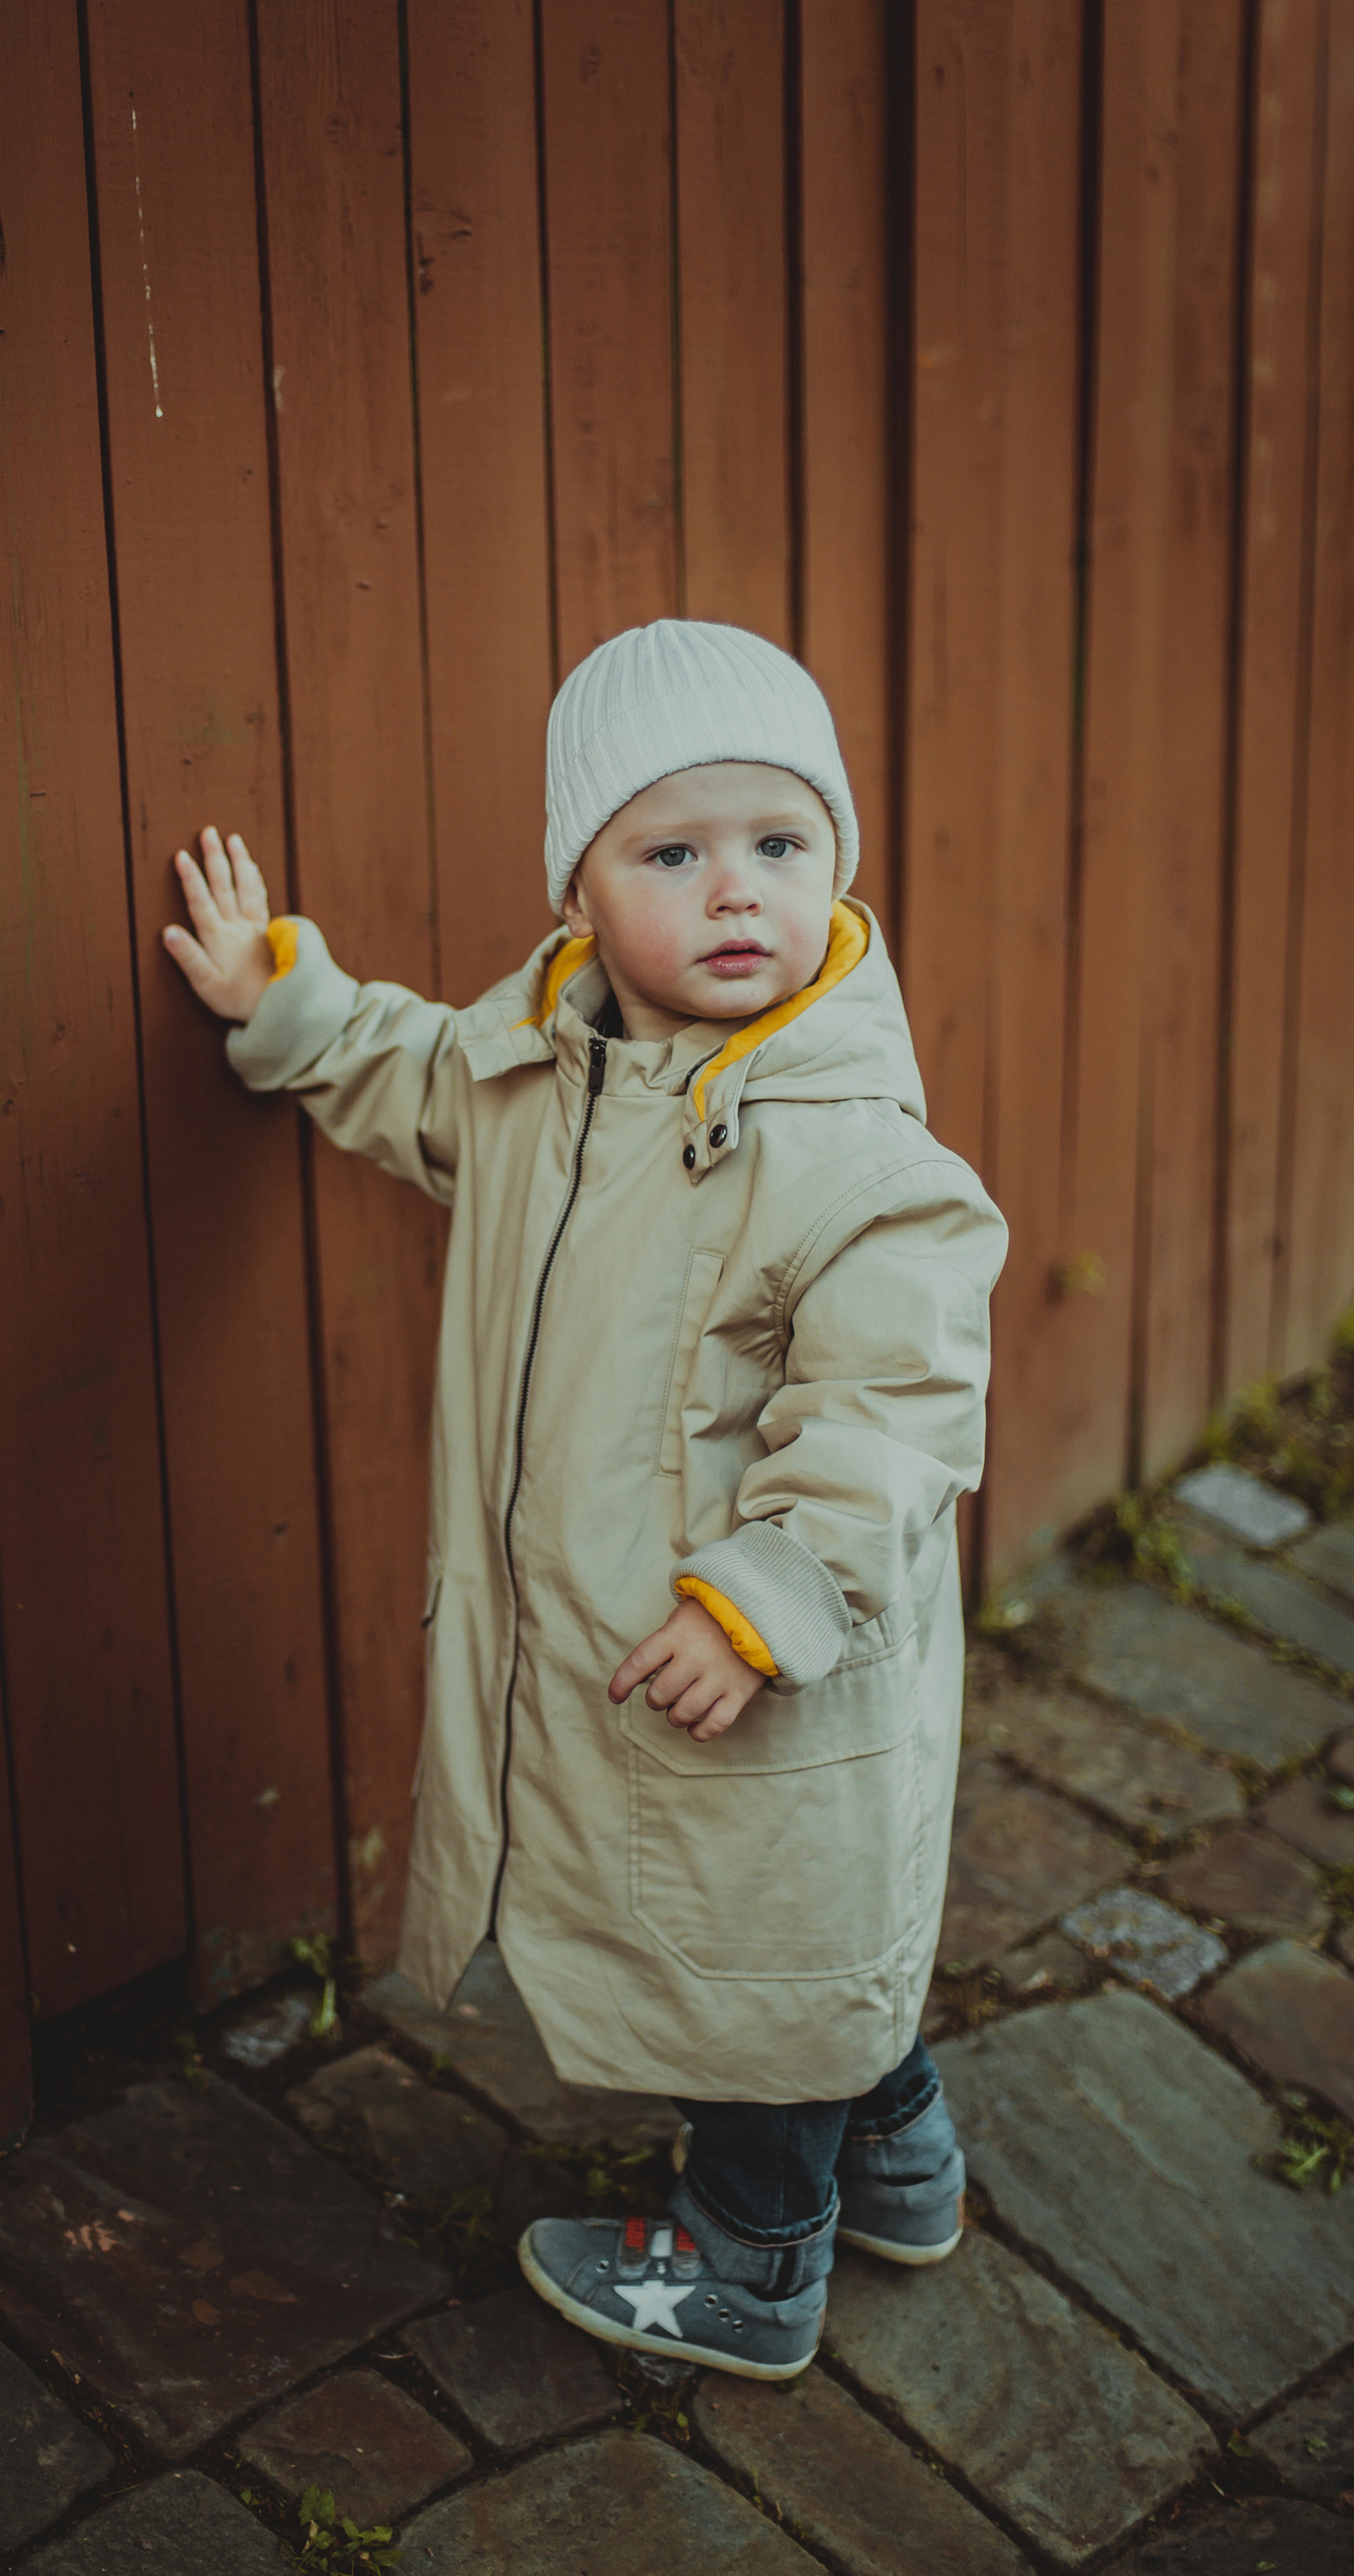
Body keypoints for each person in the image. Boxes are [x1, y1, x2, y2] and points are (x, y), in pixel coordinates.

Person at [164, 619, 1007, 2379]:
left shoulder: (851, 1148)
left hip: (752, 1648)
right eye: (670, 851)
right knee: (795, 1942)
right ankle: (900, 2162)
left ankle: (751, 2263)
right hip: (635, 1638)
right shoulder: (551, 1061)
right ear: (576, 896)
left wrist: (762, 1600)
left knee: (751, 1966)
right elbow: (419, 1087)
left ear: (831, 864)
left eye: (777, 846)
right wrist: (291, 1004)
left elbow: (894, 1414)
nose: (733, 894)